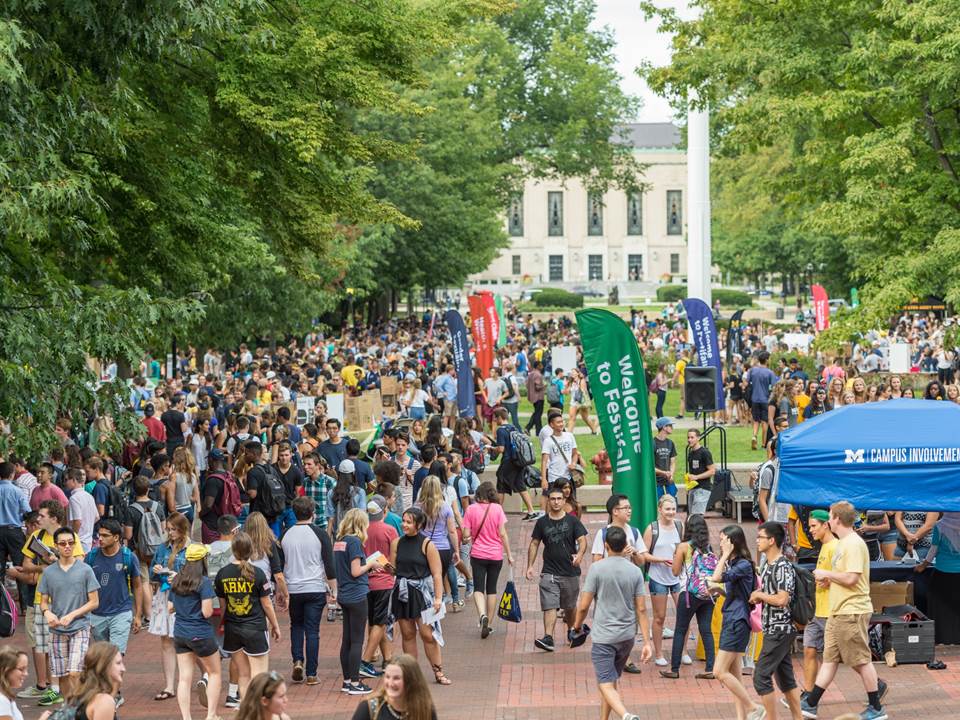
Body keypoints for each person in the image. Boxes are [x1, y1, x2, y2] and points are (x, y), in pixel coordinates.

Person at [802, 501, 888, 720]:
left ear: (837, 519)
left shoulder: (852, 544)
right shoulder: (842, 544)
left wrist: (827, 575)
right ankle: (810, 703)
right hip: (838, 610)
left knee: (861, 660)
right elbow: (844, 577)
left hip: (851, 610)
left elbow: (852, 578)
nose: (828, 519)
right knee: (830, 659)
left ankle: (876, 708)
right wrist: (828, 581)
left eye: (830, 516)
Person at [570, 525, 653, 720]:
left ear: (606, 546)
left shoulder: (597, 569)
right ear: (626, 545)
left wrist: (576, 626)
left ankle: (626, 715)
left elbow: (583, 606)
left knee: (605, 683)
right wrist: (647, 642)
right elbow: (641, 609)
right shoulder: (635, 571)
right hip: (626, 636)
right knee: (611, 681)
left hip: (604, 637)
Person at [215, 531, 282, 701]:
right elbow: (266, 604)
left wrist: (224, 623)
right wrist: (275, 625)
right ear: (251, 550)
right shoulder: (258, 573)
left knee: (243, 675)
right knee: (259, 676)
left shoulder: (222, 574)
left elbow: (223, 606)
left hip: (233, 628)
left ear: (233, 549)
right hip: (255, 628)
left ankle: (246, 710)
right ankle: (257, 713)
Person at [37, 526, 100, 702]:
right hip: (57, 629)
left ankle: (81, 707)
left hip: (79, 626)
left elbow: (94, 602)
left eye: (71, 543)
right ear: (56, 546)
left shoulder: (85, 570)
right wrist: (47, 613)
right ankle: (69, 709)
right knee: (62, 674)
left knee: (74, 672)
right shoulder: (49, 572)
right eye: (63, 543)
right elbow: (43, 602)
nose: (67, 546)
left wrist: (72, 615)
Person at [388, 507, 449, 686]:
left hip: (421, 594)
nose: (404, 525)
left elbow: (437, 574)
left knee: (427, 634)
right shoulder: (396, 543)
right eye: (403, 521)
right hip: (402, 592)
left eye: (408, 522)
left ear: (419, 525)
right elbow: (393, 569)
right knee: (407, 634)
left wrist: (438, 598)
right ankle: (411, 675)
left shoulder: (427, 544)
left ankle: (438, 671)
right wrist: (384, 567)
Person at [280, 496, 335, 686]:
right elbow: (329, 565)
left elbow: (280, 564)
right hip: (315, 587)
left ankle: (297, 660)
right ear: (312, 513)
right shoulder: (320, 534)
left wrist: (281, 590)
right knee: (313, 630)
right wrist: (334, 589)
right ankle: (311, 673)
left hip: (293, 587)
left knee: (296, 625)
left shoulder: (286, 534)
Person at [526, 485, 588, 653]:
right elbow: (534, 544)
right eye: (552, 499)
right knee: (550, 605)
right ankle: (548, 637)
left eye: (559, 499)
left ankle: (571, 630)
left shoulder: (572, 521)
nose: (555, 502)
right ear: (548, 501)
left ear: (564, 501)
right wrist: (530, 566)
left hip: (570, 572)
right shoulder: (542, 522)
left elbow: (582, 541)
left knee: (569, 606)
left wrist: (580, 555)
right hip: (549, 571)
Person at [749, 522, 801, 720]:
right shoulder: (768, 565)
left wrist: (760, 595)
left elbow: (782, 599)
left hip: (780, 629)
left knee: (761, 677)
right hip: (774, 628)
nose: (757, 540)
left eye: (760, 537)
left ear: (771, 541)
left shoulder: (782, 566)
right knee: (786, 679)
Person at [711, 525, 762, 720]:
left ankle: (753, 707)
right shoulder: (737, 565)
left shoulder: (742, 564)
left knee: (719, 671)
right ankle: (742, 717)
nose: (720, 542)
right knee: (735, 675)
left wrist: (724, 555)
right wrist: (720, 592)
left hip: (737, 621)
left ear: (733, 542)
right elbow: (739, 593)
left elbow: (716, 577)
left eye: (724, 539)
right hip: (732, 617)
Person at [660, 514, 716, 680]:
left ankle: (674, 669)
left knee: (680, 630)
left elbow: (675, 572)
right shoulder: (708, 546)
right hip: (707, 593)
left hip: (689, 593)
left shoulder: (684, 547)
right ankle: (710, 668)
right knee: (706, 630)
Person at [170, 543, 221, 720]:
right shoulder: (204, 582)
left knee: (184, 678)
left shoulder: (176, 580)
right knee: (214, 672)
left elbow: (170, 607)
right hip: (200, 632)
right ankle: (211, 715)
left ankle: (186, 717)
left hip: (180, 633)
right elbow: (207, 612)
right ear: (203, 560)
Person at [334, 508, 381, 695]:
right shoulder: (354, 542)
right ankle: (355, 682)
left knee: (347, 640)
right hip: (357, 595)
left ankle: (347, 681)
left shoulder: (340, 542)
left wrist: (367, 569)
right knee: (356, 641)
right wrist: (370, 564)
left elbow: (346, 570)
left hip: (344, 594)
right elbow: (355, 571)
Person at [461, 481, 512, 639]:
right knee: (492, 589)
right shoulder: (497, 509)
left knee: (478, 588)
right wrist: (509, 554)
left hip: (478, 554)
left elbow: (465, 535)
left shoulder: (470, 510)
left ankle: (481, 614)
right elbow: (502, 533)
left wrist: (469, 537)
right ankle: (488, 624)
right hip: (496, 555)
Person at [642, 495, 687, 668]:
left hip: (677, 577)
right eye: (667, 509)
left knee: (684, 615)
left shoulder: (679, 525)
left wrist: (679, 560)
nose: (671, 512)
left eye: (673, 509)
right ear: (660, 510)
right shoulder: (652, 529)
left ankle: (682, 652)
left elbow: (684, 547)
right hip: (658, 577)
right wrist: (661, 560)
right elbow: (644, 554)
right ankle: (659, 653)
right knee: (659, 617)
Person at [85, 519, 142, 657]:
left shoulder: (128, 557)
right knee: (103, 659)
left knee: (115, 656)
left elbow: (137, 585)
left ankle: (113, 678)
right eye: (99, 535)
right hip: (97, 615)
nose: (100, 539)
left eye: (105, 536)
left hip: (121, 613)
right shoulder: (91, 557)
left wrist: (138, 615)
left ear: (116, 537)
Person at [149, 511, 189, 703]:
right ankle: (169, 685)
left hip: (184, 596)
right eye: (169, 529)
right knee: (166, 640)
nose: (171, 533)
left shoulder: (192, 548)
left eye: (174, 529)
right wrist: (157, 571)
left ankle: (200, 677)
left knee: (187, 639)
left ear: (183, 529)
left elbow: (198, 574)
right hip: (165, 595)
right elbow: (152, 573)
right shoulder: (163, 548)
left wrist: (178, 576)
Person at [360, 496, 397, 678]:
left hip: (366, 581)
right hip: (384, 581)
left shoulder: (362, 530)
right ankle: (366, 659)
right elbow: (394, 558)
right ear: (384, 511)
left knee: (375, 621)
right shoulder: (389, 530)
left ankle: (388, 657)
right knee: (380, 622)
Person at [801, 510, 837, 700]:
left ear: (826, 525)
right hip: (818, 611)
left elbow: (847, 576)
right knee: (809, 649)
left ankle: (876, 684)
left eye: (814, 526)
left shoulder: (835, 547)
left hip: (831, 611)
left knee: (849, 657)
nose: (811, 530)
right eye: (809, 526)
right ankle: (807, 692)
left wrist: (828, 580)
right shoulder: (824, 546)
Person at [916, 512, 960, 645]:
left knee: (941, 607)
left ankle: (943, 637)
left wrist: (923, 566)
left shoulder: (940, 526)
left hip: (943, 573)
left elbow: (933, 550)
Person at [350, 654, 437, 720]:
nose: (390, 683)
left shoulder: (425, 709)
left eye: (396, 678)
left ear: (411, 680)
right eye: (387, 677)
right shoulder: (369, 708)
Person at [491, 408, 536, 520]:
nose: (494, 420)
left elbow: (501, 449)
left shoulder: (500, 430)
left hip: (508, 462)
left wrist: (492, 448)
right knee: (520, 485)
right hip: (518, 461)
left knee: (501, 486)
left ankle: (497, 514)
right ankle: (531, 511)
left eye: (495, 418)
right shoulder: (513, 427)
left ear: (500, 418)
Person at [67, 641, 125, 720]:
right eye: (118, 663)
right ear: (104, 666)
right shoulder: (104, 701)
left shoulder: (80, 693)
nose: (123, 668)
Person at [744, 351, 777, 450]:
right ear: (766, 360)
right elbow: (774, 387)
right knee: (764, 422)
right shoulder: (770, 372)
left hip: (754, 398)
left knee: (756, 420)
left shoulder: (752, 370)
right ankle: (763, 444)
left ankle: (754, 436)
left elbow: (746, 382)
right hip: (765, 399)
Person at [65, 469, 98, 553]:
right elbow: (96, 517)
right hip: (88, 541)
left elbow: (77, 521)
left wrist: (73, 538)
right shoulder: (89, 496)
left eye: (66, 480)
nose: (65, 483)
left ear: (73, 480)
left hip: (78, 542)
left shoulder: (74, 498)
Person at [685, 429, 715, 516]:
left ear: (698, 438)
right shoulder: (690, 453)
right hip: (693, 488)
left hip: (703, 489)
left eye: (692, 437)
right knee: (691, 516)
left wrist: (696, 477)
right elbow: (693, 471)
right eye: (688, 437)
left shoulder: (705, 452)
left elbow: (712, 471)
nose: (689, 440)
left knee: (697, 517)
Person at [653, 417, 677, 498]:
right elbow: (649, 466)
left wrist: (671, 474)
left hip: (669, 481)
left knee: (673, 503)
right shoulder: (652, 443)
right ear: (664, 427)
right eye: (670, 425)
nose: (672, 428)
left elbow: (673, 462)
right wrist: (663, 473)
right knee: (659, 505)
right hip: (656, 482)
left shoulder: (670, 443)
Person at [524, 361, 546, 436]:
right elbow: (537, 386)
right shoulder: (538, 375)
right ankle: (536, 430)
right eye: (541, 365)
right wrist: (544, 386)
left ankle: (532, 428)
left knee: (537, 413)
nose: (542, 366)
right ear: (538, 366)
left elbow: (526, 384)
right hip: (539, 397)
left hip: (533, 397)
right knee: (538, 414)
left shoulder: (531, 374)